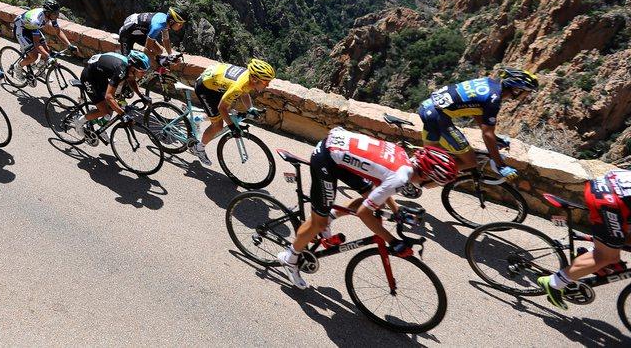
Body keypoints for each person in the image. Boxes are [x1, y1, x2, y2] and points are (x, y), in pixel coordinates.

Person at [277, 127, 459, 289]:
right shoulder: (401, 178)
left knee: (369, 196)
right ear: (427, 176)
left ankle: (330, 217)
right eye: (437, 183)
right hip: (327, 158)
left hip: (339, 149)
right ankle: (290, 258)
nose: (435, 186)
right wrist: (392, 241)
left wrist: (397, 212)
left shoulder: (404, 157)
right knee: (318, 222)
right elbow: (364, 213)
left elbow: (382, 187)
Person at [417, 68, 539, 176]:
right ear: (517, 89)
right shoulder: (493, 99)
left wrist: (495, 139)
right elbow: (487, 134)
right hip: (437, 118)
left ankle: (414, 176)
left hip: (428, 108)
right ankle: (423, 178)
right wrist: (500, 165)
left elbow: (476, 111)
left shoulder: (489, 82)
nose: (526, 96)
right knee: (470, 161)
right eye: (526, 92)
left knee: (429, 158)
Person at [538, 169, 631, 310]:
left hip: (609, 186)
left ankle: (588, 254)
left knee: (616, 239)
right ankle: (553, 283)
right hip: (611, 200)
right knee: (607, 257)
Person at [191, 59, 276, 166]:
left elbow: (244, 93)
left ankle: (197, 119)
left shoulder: (249, 79)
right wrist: (232, 127)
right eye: (265, 82)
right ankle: (198, 148)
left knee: (226, 108)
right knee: (218, 126)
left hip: (216, 81)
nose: (267, 85)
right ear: (254, 79)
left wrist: (250, 108)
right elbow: (222, 108)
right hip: (205, 88)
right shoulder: (238, 87)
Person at [73, 50, 150, 146]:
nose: (144, 74)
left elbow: (131, 80)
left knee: (111, 108)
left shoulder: (129, 69)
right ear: (133, 69)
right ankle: (79, 122)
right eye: (142, 72)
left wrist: (141, 95)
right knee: (105, 110)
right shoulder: (121, 70)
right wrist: (123, 114)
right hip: (89, 77)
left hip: (100, 75)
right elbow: (108, 97)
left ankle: (101, 129)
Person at [11, 0, 74, 84]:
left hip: (32, 28)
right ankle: (17, 68)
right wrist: (49, 57)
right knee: (34, 56)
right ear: (48, 13)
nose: (57, 15)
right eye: (55, 13)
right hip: (22, 30)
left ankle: (40, 71)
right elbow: (37, 44)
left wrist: (69, 45)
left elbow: (58, 31)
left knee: (46, 50)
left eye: (58, 12)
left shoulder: (50, 15)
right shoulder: (36, 21)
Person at [118, 7, 186, 66]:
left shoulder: (165, 20)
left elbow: (166, 39)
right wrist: (157, 66)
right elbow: (146, 51)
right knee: (127, 64)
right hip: (127, 34)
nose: (181, 26)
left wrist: (170, 54)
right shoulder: (157, 27)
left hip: (139, 33)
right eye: (179, 24)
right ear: (171, 22)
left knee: (159, 51)